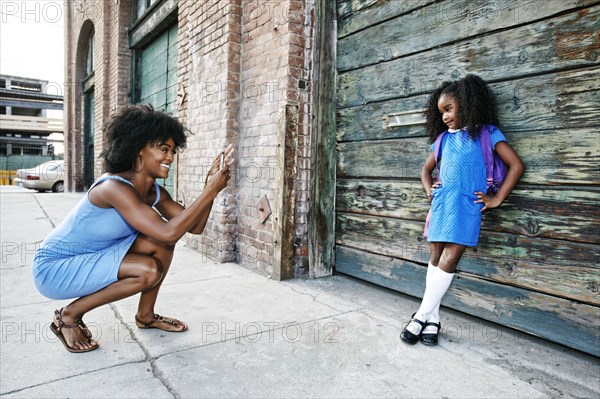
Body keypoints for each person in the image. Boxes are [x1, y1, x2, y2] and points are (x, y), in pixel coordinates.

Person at [32, 104, 234, 353]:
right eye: (163, 149)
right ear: (139, 149)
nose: (170, 157)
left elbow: (194, 228)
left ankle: (146, 316)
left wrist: (209, 188)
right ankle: (69, 316)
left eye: (172, 150)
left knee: (161, 243)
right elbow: (170, 230)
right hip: (55, 267)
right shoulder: (113, 189)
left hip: (93, 255)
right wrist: (210, 190)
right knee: (147, 270)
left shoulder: (155, 192)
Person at [400, 74, 524, 346]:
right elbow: (425, 169)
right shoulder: (443, 139)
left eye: (449, 109)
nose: (444, 116)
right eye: (441, 112)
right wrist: (429, 188)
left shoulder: (488, 134)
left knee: (450, 259)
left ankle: (420, 316)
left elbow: (516, 165)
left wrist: (496, 199)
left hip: (468, 206)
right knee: (435, 258)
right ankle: (432, 321)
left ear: (467, 105)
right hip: (442, 203)